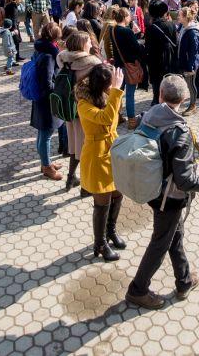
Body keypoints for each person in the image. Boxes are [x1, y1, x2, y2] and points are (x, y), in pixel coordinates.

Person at [125, 74, 199, 309]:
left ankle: (184, 280)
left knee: (174, 235)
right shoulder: (179, 132)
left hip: (151, 188)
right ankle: (137, 289)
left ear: (159, 95)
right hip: (169, 197)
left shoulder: (148, 116)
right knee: (160, 242)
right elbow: (185, 180)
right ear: (185, 98)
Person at [77, 64, 127, 261]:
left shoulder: (107, 96)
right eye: (109, 85)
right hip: (96, 155)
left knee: (118, 192)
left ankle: (111, 232)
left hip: (112, 151)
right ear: (102, 86)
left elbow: (116, 116)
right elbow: (106, 119)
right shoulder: (83, 103)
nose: (112, 87)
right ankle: (100, 243)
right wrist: (115, 91)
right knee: (102, 201)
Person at [57, 31, 103, 191]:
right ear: (82, 45)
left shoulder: (63, 59)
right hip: (86, 111)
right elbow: (100, 88)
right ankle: (86, 187)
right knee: (86, 148)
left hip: (69, 109)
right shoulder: (92, 63)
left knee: (74, 146)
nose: (91, 44)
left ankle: (71, 178)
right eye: (89, 42)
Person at [30, 22, 66, 181]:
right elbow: (47, 82)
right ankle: (46, 167)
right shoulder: (49, 55)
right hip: (47, 101)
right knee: (46, 134)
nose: (59, 41)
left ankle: (46, 162)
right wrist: (58, 89)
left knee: (42, 133)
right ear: (54, 38)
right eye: (58, 38)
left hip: (41, 99)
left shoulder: (40, 48)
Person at [110, 6, 146, 129]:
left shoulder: (113, 29)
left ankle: (116, 117)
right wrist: (141, 45)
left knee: (117, 93)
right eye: (129, 16)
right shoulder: (127, 31)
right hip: (129, 66)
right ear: (125, 17)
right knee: (130, 94)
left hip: (118, 66)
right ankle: (132, 121)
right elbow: (135, 48)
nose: (131, 18)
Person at [144, 0, 178, 105]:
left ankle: (156, 99)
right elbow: (175, 42)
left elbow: (148, 46)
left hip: (155, 58)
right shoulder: (171, 24)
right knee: (168, 79)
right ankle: (168, 99)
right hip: (169, 56)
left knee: (156, 80)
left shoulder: (150, 28)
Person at [176, 6, 199, 115]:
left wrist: (192, 67)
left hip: (189, 64)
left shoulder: (192, 32)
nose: (177, 17)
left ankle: (193, 105)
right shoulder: (184, 28)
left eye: (179, 15)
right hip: (183, 61)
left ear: (185, 17)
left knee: (191, 85)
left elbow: (195, 51)